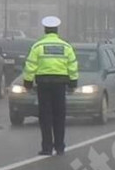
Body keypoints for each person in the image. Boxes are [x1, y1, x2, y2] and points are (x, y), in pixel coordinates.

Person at [23, 16, 78, 156]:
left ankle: (47, 147)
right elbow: (72, 65)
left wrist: (27, 82)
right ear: (56, 30)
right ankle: (60, 147)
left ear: (45, 30)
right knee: (59, 115)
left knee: (45, 115)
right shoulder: (66, 47)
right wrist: (73, 82)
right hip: (60, 84)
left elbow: (30, 65)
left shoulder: (38, 46)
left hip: (44, 84)